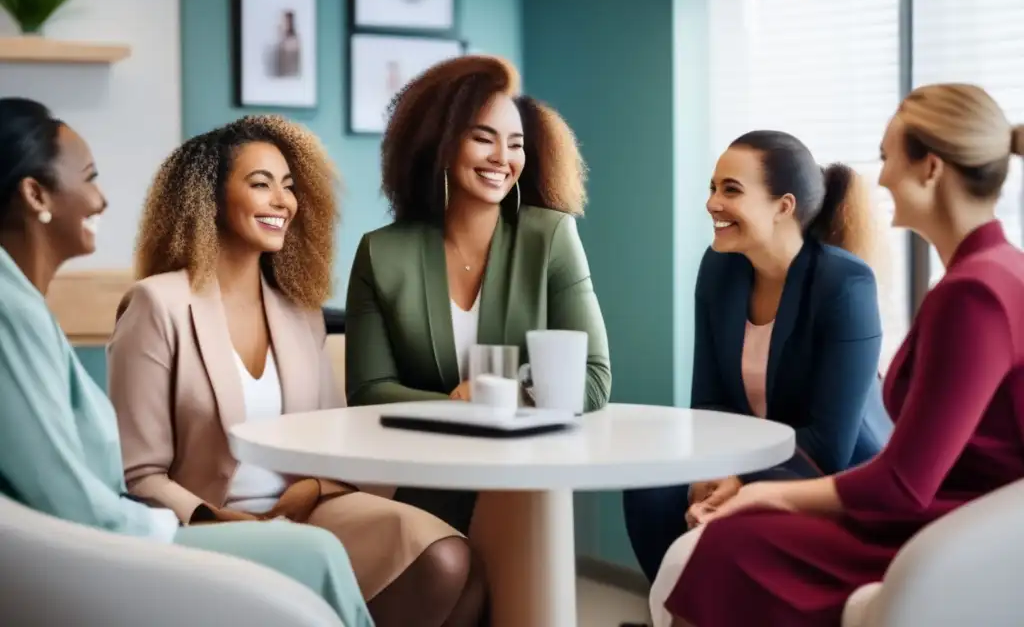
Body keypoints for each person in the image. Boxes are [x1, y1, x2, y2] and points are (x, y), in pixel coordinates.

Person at [650, 83, 1024, 627]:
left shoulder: (973, 294)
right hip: (953, 519)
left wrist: (763, 497)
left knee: (727, 546)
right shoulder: (1002, 270)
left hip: (950, 534)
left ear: (932, 169)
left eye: (888, 156)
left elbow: (901, 483)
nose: (882, 176)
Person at [0, 98, 372, 627]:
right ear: (35, 193)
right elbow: (72, 494)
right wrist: (193, 526)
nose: (102, 200)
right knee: (318, 555)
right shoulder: (15, 309)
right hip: (116, 548)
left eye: (288, 184)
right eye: (88, 178)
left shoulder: (22, 303)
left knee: (388, 549)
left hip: (120, 537)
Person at [107, 115, 485, 627]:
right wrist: (217, 517)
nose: (282, 201)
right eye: (260, 184)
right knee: (440, 566)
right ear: (209, 199)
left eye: (288, 186)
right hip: (207, 520)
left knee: (459, 563)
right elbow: (139, 474)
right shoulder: (158, 304)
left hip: (305, 505)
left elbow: (328, 440)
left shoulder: (299, 310)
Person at [345, 54, 611, 532]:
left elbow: (592, 379)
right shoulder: (381, 253)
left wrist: (498, 396)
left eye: (515, 144)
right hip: (429, 467)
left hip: (527, 474)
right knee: (443, 573)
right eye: (482, 138)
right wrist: (456, 406)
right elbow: (368, 391)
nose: (502, 159)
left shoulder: (550, 237)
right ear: (441, 145)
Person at [622, 130, 892, 582]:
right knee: (650, 492)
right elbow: (708, 405)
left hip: (832, 477)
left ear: (783, 207)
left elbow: (829, 445)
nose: (712, 203)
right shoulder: (719, 267)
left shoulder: (845, 285)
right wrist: (711, 473)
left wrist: (742, 483)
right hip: (752, 460)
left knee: (731, 523)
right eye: (712, 187)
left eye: (731, 190)